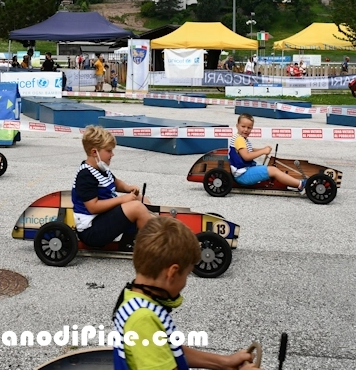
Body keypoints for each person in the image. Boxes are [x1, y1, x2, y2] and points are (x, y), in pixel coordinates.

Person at [112, 216, 257, 370]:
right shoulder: (143, 320)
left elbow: (169, 350)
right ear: (172, 273)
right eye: (186, 274)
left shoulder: (132, 297)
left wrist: (224, 362)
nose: (185, 283)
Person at [72, 126, 152, 249]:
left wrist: (127, 188)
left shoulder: (101, 168)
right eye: (109, 151)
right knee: (136, 207)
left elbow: (115, 182)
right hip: (91, 230)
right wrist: (122, 199)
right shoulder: (85, 175)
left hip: (102, 220)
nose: (112, 154)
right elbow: (93, 207)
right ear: (94, 152)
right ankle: (153, 247)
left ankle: (130, 239)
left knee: (141, 199)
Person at [230, 113, 305, 191]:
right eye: (243, 126)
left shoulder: (239, 138)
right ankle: (300, 185)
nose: (246, 130)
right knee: (273, 170)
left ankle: (296, 183)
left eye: (249, 128)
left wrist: (262, 149)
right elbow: (246, 156)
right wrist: (263, 151)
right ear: (237, 126)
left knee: (270, 169)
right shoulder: (239, 140)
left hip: (243, 172)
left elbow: (249, 150)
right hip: (242, 175)